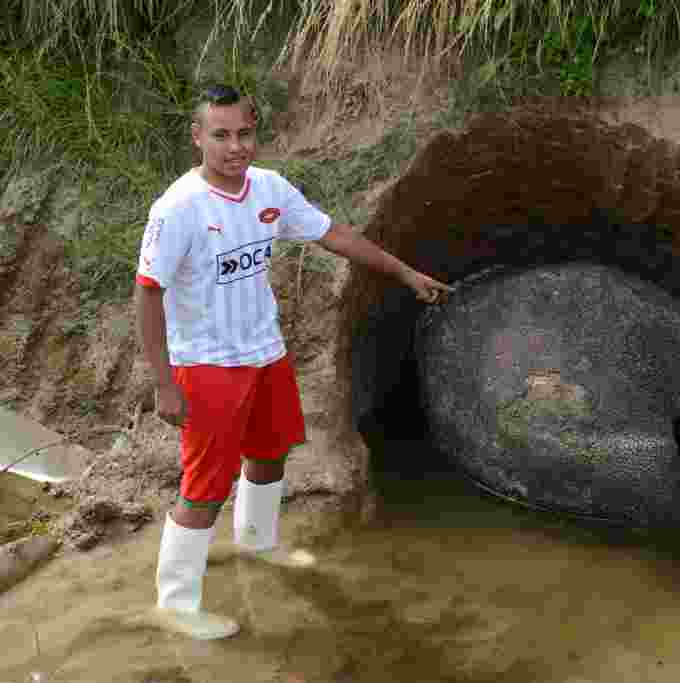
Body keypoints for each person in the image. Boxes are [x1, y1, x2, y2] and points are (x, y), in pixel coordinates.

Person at [134, 83, 455, 640]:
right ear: (198, 138)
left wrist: (404, 273)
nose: (235, 147)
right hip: (207, 365)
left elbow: (334, 234)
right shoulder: (179, 208)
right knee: (204, 486)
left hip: (266, 353)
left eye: (244, 133)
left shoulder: (269, 189)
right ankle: (176, 604)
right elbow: (147, 293)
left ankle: (259, 544)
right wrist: (164, 384)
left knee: (270, 455)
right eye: (221, 135)